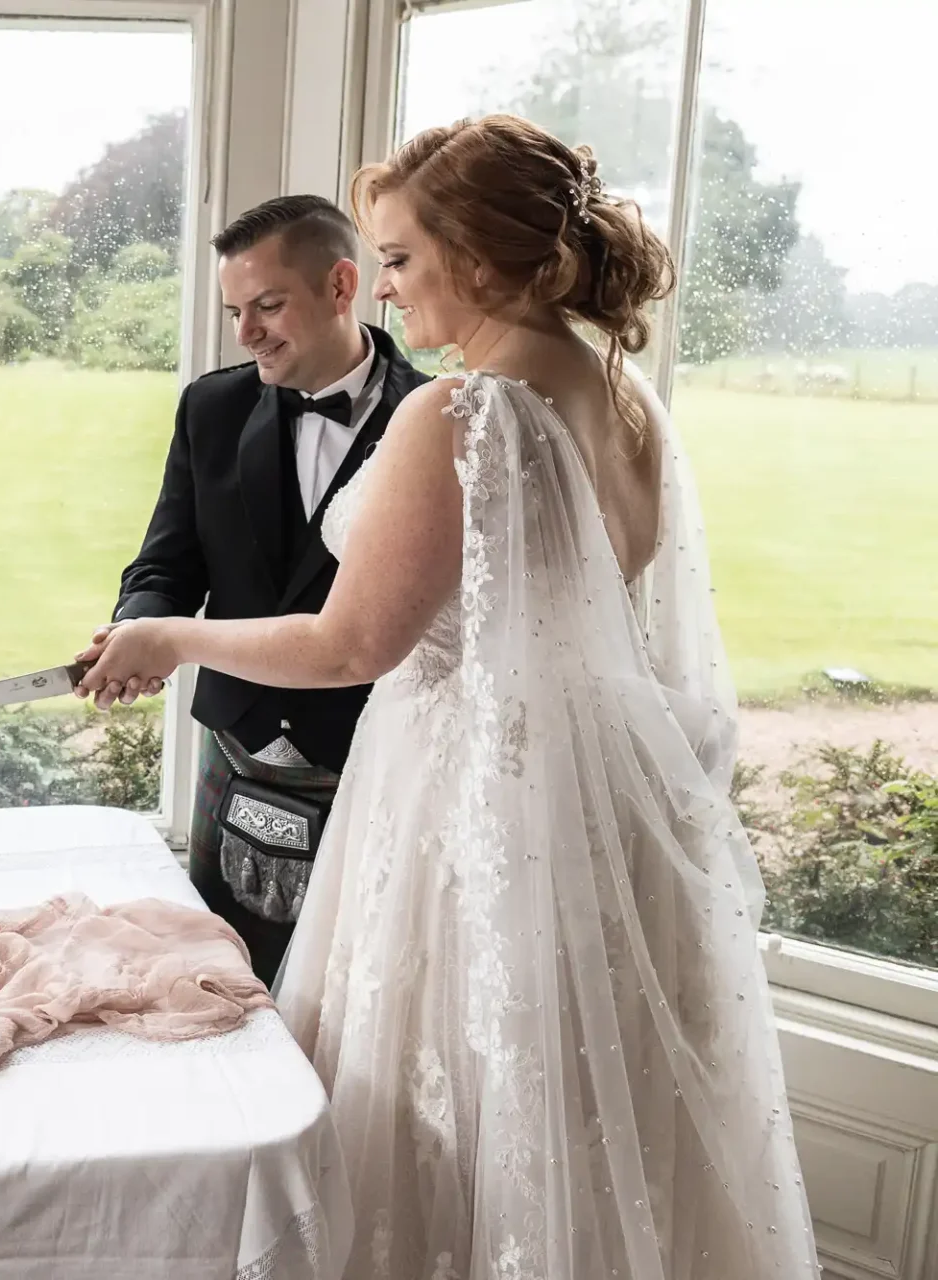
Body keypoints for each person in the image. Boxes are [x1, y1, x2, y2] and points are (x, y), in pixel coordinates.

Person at [78, 114, 819, 1278]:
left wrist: (168, 635)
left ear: (480, 256)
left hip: (461, 815)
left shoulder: (462, 410)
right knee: (576, 1111)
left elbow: (349, 644)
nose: (387, 283)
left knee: (454, 1114)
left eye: (405, 258)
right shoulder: (625, 400)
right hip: (592, 815)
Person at [95, 194, 429, 984]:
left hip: (374, 763)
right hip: (236, 753)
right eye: (235, 310)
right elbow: (166, 565)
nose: (245, 334)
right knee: (220, 995)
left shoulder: (435, 418)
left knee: (357, 999)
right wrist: (135, 632)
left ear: (342, 286)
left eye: (268, 306)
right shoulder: (210, 407)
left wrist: (170, 637)